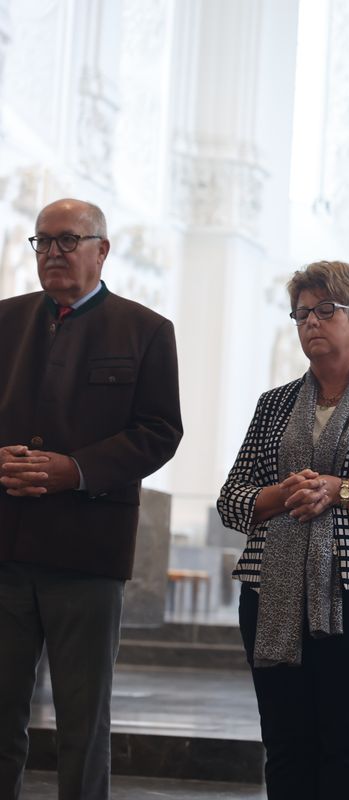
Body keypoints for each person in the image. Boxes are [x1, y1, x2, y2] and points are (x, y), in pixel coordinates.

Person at [0, 198, 183, 799]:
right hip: (6, 547)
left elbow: (160, 431)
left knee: (82, 722)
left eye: (67, 241)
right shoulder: (5, 320)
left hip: (86, 552)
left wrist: (74, 470)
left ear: (101, 250)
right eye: (42, 242)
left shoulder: (146, 330)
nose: (53, 253)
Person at [216, 261, 349, 799]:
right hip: (273, 592)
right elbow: (231, 502)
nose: (311, 322)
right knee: (284, 744)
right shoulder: (274, 405)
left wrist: (339, 490)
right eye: (302, 312)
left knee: (347, 743)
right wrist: (285, 494)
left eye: (326, 310)